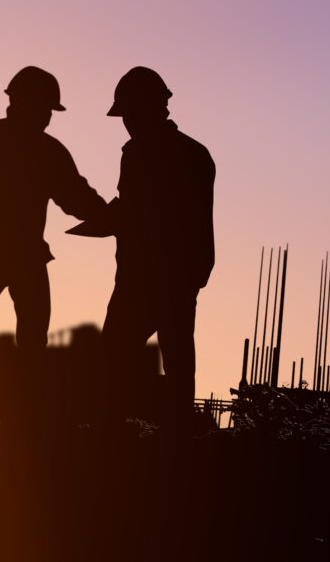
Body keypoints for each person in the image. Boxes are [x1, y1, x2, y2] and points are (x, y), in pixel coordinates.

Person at [0, 67, 107, 420]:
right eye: (46, 108)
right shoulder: (28, 146)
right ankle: (12, 420)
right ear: (23, 104)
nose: (48, 117)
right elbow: (76, 197)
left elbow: (74, 195)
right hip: (4, 257)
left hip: (3, 256)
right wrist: (111, 216)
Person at [81, 66, 215, 425]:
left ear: (149, 110)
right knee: (173, 361)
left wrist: (110, 221)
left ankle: (117, 435)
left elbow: (149, 213)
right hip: (168, 275)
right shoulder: (193, 153)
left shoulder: (145, 154)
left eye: (129, 115)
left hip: (150, 276)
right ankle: (170, 438)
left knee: (121, 356)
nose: (126, 124)